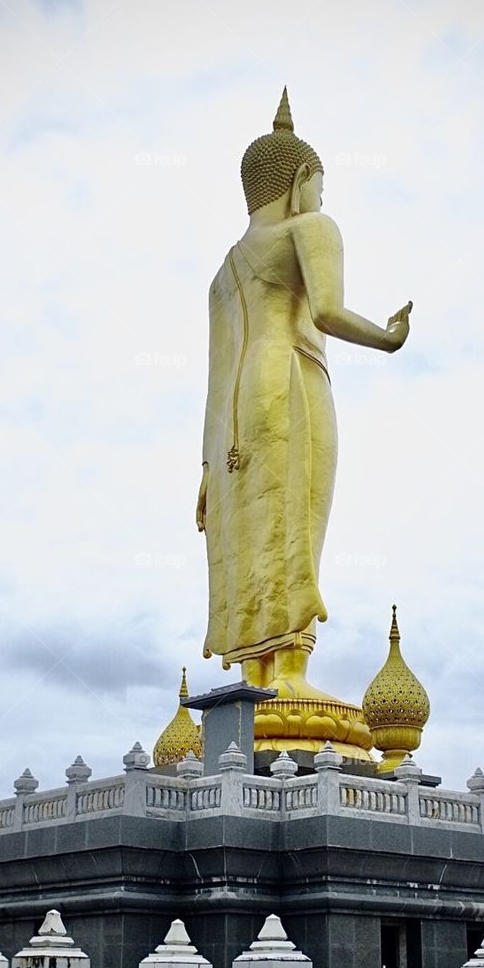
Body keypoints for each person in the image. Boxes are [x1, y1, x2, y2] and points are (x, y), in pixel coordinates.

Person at [197, 88, 411, 702]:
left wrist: (208, 467)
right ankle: (290, 670)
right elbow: (327, 310)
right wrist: (387, 338)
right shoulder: (311, 228)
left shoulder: (222, 274)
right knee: (296, 522)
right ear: (298, 181)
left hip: (234, 414)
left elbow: (216, 375)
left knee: (250, 529)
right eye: (320, 185)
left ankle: (254, 679)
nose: (322, 198)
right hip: (292, 375)